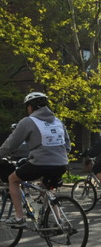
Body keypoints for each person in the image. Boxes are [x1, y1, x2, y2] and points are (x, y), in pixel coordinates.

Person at [0, 92, 71, 227]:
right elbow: (67, 145)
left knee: (13, 180)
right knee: (47, 189)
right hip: (62, 163)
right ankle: (58, 221)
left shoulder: (28, 121)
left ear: (30, 107)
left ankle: (19, 218)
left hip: (39, 163)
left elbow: (10, 144)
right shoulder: (58, 121)